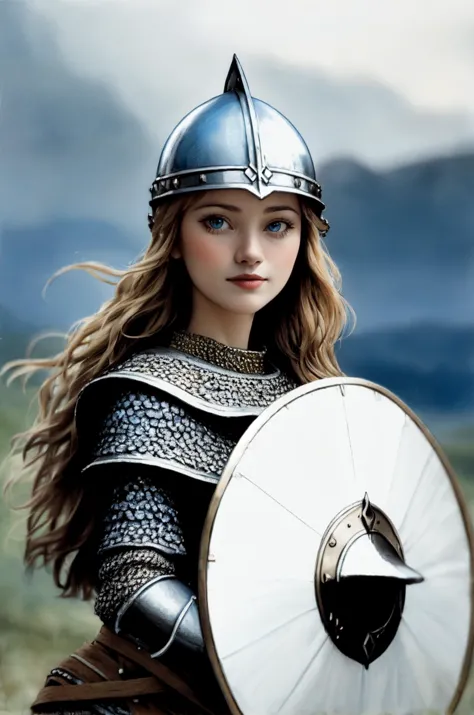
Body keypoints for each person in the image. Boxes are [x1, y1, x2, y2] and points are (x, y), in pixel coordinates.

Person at [3, 55, 350, 715]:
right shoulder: (147, 396)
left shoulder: (304, 399)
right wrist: (262, 666)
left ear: (304, 237)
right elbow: (136, 589)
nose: (251, 251)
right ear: (175, 234)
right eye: (219, 220)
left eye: (276, 223)